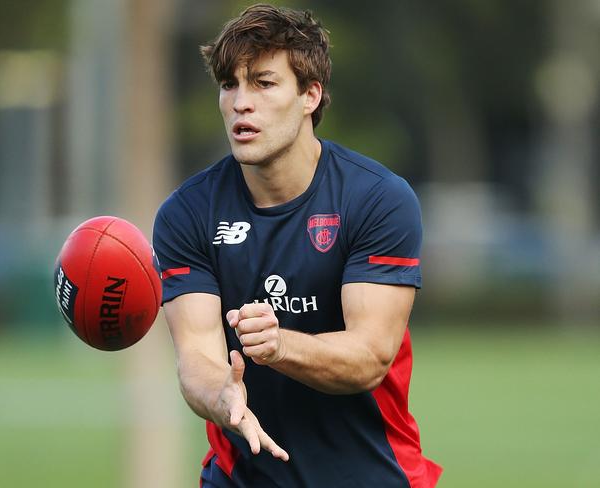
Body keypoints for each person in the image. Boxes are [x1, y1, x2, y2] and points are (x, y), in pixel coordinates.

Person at [153, 4, 442, 487]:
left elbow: (371, 355)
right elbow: (197, 357)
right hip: (240, 476)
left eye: (264, 83)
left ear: (311, 94)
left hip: (371, 474)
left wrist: (278, 344)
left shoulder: (377, 199)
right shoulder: (187, 213)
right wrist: (223, 398)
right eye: (230, 85)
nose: (241, 102)